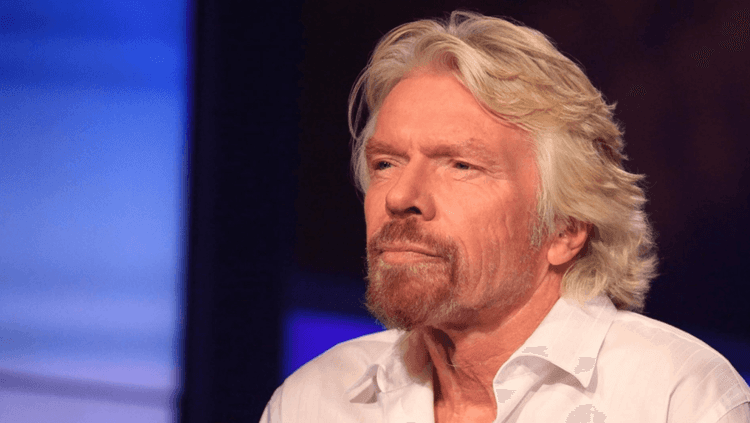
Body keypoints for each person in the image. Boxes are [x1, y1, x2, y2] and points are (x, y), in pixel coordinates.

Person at [261, 10, 750, 422]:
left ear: (565, 227)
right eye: (386, 163)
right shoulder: (314, 402)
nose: (400, 196)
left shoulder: (677, 400)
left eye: (460, 165)